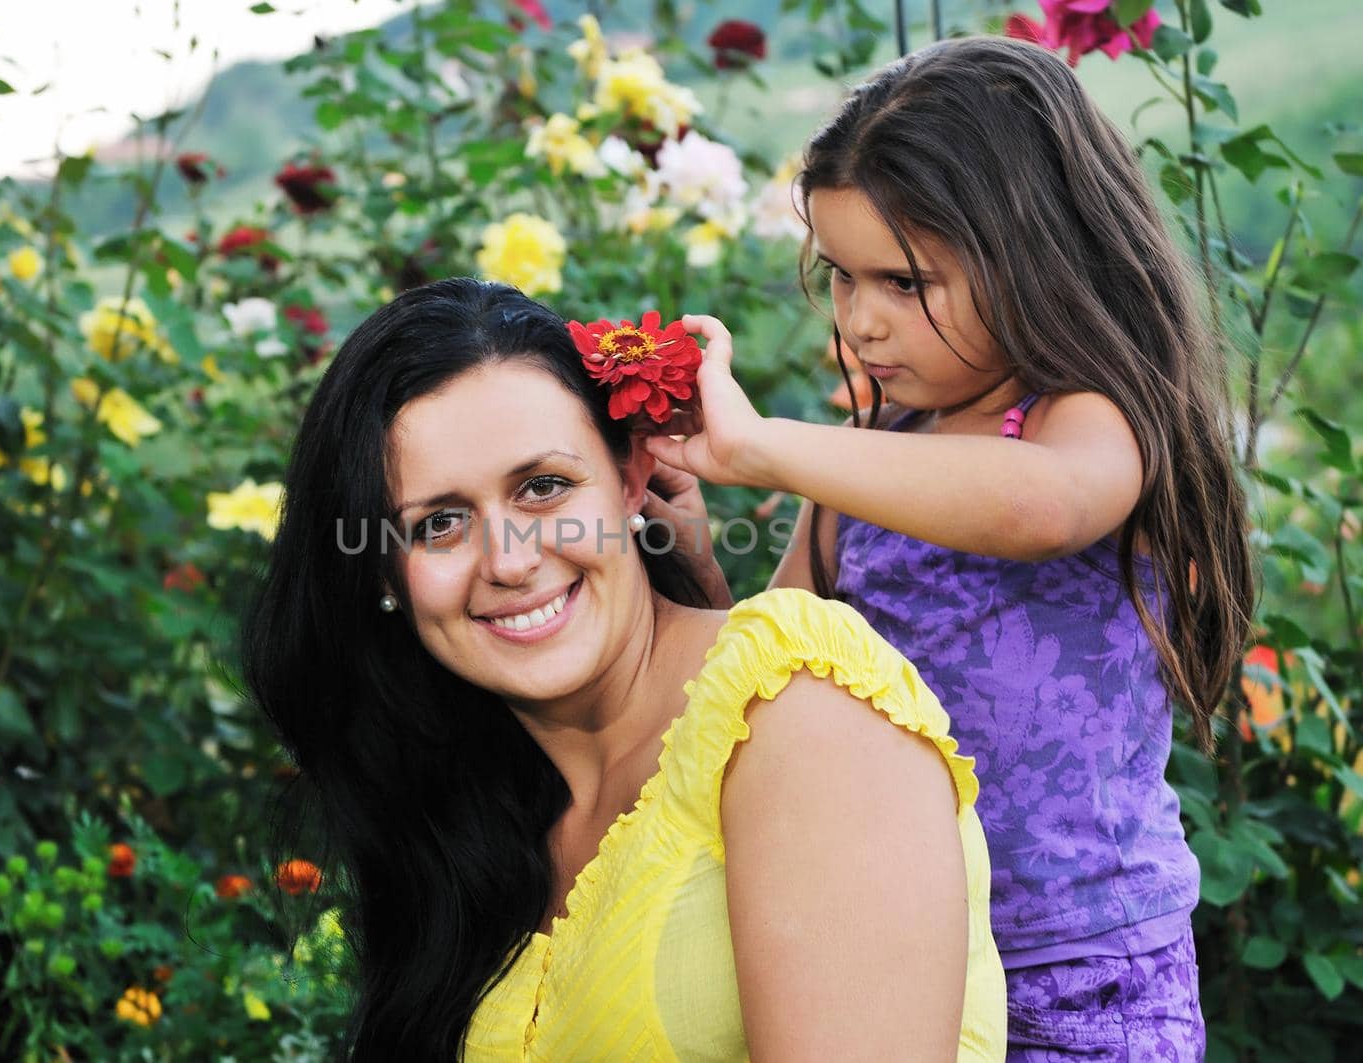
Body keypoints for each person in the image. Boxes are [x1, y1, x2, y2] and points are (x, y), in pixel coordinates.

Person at [646, 36, 1254, 1061]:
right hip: (891, 967)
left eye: (905, 281)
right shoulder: (869, 465)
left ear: (1036, 253)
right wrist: (697, 566)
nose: (861, 320)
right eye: (841, 277)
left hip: (1083, 980)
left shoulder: (1087, 424)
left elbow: (1042, 507)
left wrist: (764, 446)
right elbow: (770, 677)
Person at [242, 277, 1006, 1060]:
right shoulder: (467, 810)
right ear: (381, 575)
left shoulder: (797, 702)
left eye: (544, 487)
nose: (508, 561)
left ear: (633, 477)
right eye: (438, 523)